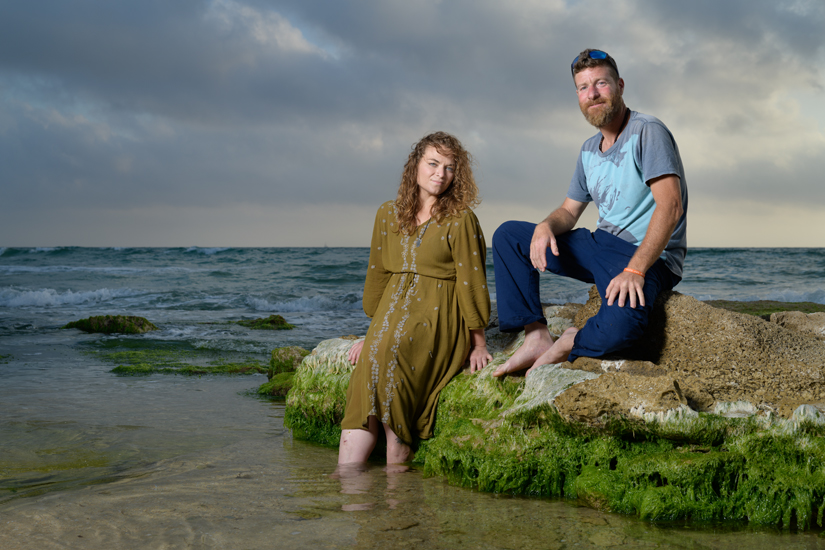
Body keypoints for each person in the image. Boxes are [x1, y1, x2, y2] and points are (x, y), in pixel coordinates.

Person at [492, 48, 688, 377]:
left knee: (622, 329)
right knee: (510, 236)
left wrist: (636, 270)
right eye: (583, 88)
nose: (592, 94)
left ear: (620, 85)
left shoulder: (647, 131)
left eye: (601, 83)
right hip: (599, 244)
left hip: (644, 255)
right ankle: (536, 336)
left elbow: (671, 206)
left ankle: (571, 339)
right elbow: (569, 212)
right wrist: (545, 226)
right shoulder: (588, 150)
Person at [339, 131, 492, 464]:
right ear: (415, 165)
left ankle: (398, 462)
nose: (440, 173)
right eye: (433, 163)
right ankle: (347, 481)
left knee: (394, 348)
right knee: (372, 363)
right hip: (391, 317)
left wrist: (478, 343)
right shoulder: (387, 214)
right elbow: (378, 274)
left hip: (439, 317)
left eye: (450, 168)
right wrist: (372, 333)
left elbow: (472, 282)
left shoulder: (461, 220)